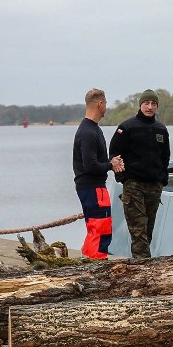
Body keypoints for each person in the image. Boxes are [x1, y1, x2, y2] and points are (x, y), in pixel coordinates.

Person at [108, 89, 171, 259]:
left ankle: (141, 264)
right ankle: (144, 267)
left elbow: (165, 156)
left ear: (157, 106)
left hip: (154, 186)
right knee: (138, 230)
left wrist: (162, 179)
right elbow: (114, 152)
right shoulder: (127, 127)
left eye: (153, 104)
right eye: (146, 103)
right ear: (140, 105)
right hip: (133, 185)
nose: (150, 107)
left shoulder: (161, 129)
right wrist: (122, 177)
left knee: (148, 229)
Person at [72, 88, 124, 259]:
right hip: (92, 187)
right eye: (106, 103)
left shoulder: (93, 129)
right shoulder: (88, 132)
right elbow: (90, 166)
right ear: (100, 104)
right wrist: (110, 165)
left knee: (96, 227)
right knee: (100, 228)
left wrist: (112, 162)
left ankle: (88, 259)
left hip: (93, 187)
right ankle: (96, 264)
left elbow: (96, 161)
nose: (106, 107)